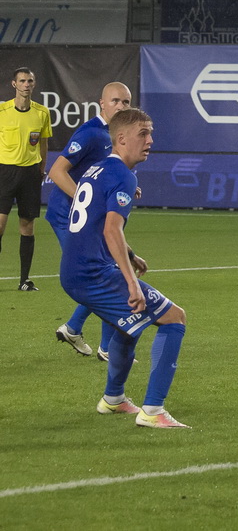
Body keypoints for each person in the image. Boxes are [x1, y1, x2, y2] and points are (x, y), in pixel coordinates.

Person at [60, 108, 189, 428]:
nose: (150, 140)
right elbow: (110, 229)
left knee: (126, 326)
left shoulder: (97, 170)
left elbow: (98, 221)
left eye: (151, 132)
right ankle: (153, 410)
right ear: (121, 139)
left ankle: (113, 399)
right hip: (93, 272)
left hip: (76, 270)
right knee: (174, 318)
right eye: (143, 134)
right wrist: (132, 283)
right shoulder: (122, 175)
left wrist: (129, 254)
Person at [48, 82, 133, 359]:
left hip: (86, 218)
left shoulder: (113, 135)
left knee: (105, 271)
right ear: (102, 104)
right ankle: (107, 348)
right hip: (68, 217)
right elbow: (58, 171)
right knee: (104, 274)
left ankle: (75, 329)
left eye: (126, 102)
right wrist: (84, 199)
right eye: (116, 101)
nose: (121, 106)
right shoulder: (91, 134)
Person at [0, 68, 52, 292]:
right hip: (5, 172)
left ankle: (24, 280)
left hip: (30, 174)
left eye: (30, 80)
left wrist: (41, 168)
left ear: (34, 83)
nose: (26, 84)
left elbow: (43, 143)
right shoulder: (2, 110)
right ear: (14, 84)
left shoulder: (42, 112)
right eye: (22, 80)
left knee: (27, 226)